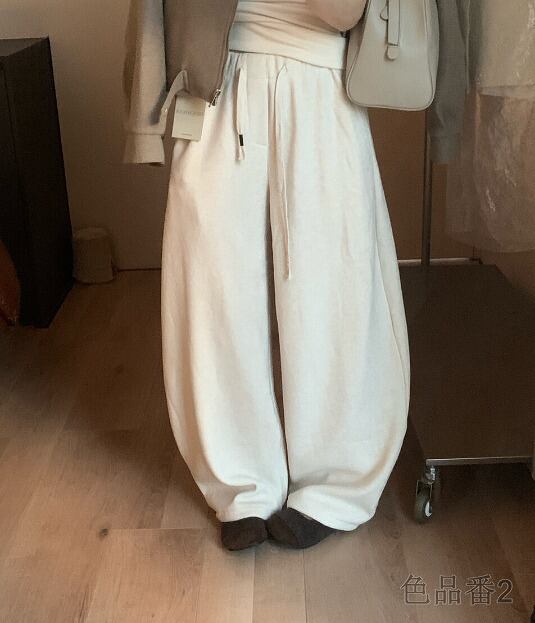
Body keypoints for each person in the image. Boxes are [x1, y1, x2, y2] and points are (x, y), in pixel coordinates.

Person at [123, 0, 411, 551]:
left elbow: (345, 12)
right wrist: (144, 118)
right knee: (213, 291)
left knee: (332, 294)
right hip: (214, 81)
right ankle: (240, 480)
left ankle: (334, 484)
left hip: (322, 80)